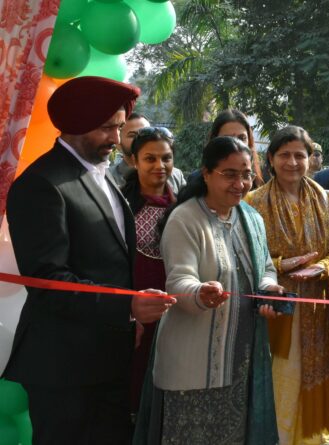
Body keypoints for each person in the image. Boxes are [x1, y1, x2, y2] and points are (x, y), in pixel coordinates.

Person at [3, 76, 175, 443]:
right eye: (106, 128)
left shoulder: (103, 175)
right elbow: (48, 280)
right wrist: (126, 305)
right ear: (76, 123)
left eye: (118, 127)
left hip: (107, 361)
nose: (116, 139)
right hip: (64, 369)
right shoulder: (42, 184)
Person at [143, 136, 283, 443]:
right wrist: (200, 293)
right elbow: (179, 281)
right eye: (229, 174)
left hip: (240, 364)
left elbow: (265, 269)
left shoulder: (251, 218)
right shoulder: (185, 219)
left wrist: (269, 290)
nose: (241, 183)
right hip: (192, 368)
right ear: (206, 173)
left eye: (246, 174)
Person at [245, 126, 329, 444]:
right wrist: (280, 266)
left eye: (299, 155)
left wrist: (320, 267)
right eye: (284, 155)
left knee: (311, 395)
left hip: (319, 313)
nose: (292, 162)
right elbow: (247, 259)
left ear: (311, 159)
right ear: (271, 159)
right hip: (274, 314)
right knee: (278, 388)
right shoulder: (252, 204)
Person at [119, 126, 179, 420]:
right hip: (134, 310)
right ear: (134, 161)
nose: (160, 166)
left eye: (166, 158)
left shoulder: (185, 208)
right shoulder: (119, 205)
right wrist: (128, 312)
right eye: (150, 159)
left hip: (175, 309)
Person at [109, 112, 186, 193]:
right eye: (132, 135)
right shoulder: (107, 178)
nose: (142, 140)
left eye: (148, 134)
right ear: (118, 143)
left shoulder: (176, 176)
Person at [210, 109, 268, 186]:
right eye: (228, 139)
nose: (236, 145)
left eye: (242, 138)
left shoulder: (263, 183)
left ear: (249, 141)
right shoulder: (198, 185)